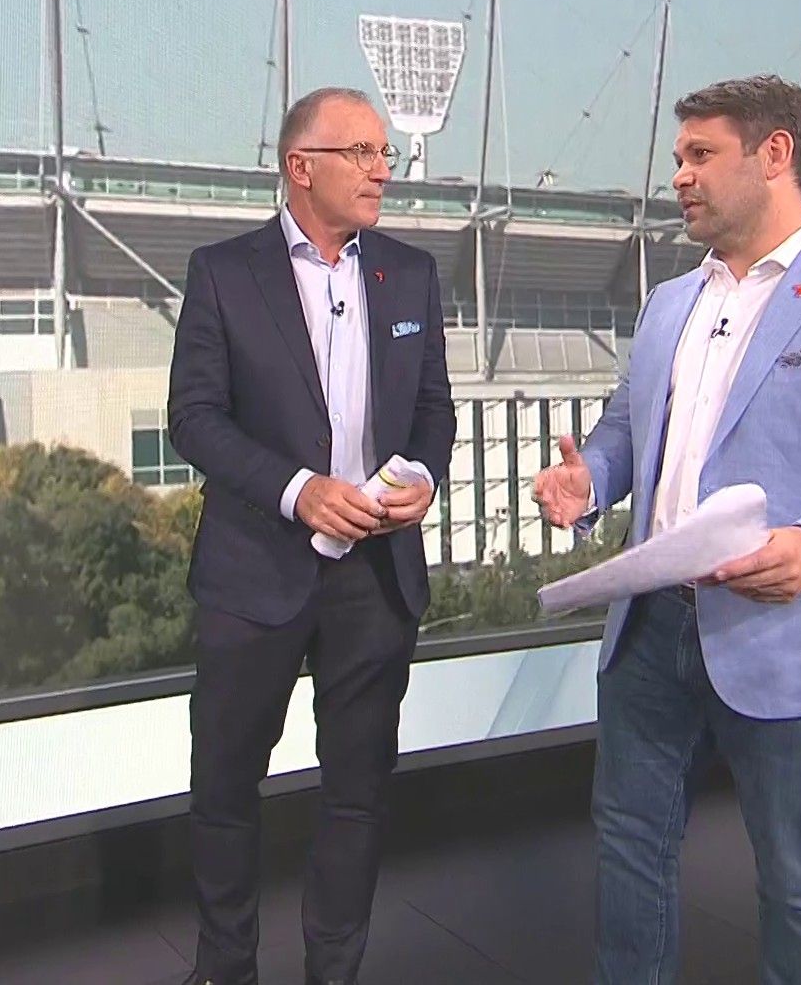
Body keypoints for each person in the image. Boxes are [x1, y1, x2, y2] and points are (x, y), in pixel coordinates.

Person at [531, 74, 801, 984]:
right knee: (629, 851)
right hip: (651, 630)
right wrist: (590, 479)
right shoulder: (669, 303)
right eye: (678, 158)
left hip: (793, 630)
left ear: (775, 155)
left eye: (701, 154)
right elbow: (626, 434)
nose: (679, 176)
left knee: (800, 884)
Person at [167, 86, 457, 985]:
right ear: (301, 167)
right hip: (254, 572)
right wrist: (298, 493)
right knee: (226, 787)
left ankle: (334, 971)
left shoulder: (411, 273)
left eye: (383, 153)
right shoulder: (224, 272)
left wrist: (422, 475)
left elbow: (434, 408)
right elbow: (195, 419)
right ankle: (226, 968)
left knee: (357, 790)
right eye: (361, 153)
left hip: (376, 577)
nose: (382, 171)